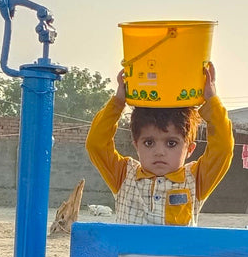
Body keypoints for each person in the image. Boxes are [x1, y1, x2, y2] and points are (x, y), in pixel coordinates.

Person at [85, 63, 234, 225]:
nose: (159, 152)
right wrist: (118, 103)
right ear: (136, 144)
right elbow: (96, 144)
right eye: (149, 143)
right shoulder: (123, 174)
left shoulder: (196, 179)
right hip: (130, 251)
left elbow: (223, 149)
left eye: (171, 143)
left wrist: (212, 101)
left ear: (190, 148)